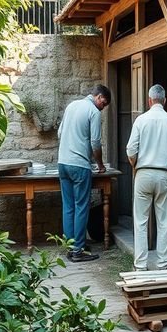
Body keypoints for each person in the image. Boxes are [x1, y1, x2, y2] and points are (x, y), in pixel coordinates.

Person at [126, 84, 167, 271]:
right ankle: (163, 264)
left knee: (141, 222)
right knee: (163, 222)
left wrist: (135, 165)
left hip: (143, 173)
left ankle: (140, 265)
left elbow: (131, 149)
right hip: (163, 174)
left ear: (149, 100)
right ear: (165, 100)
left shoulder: (141, 120)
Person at [57, 84, 111, 262]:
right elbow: (96, 142)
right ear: (99, 97)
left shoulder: (72, 105)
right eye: (104, 103)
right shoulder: (93, 112)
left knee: (68, 206)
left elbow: (60, 133)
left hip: (63, 163)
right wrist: (100, 165)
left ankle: (70, 246)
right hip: (79, 165)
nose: (103, 108)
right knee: (81, 206)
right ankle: (78, 250)